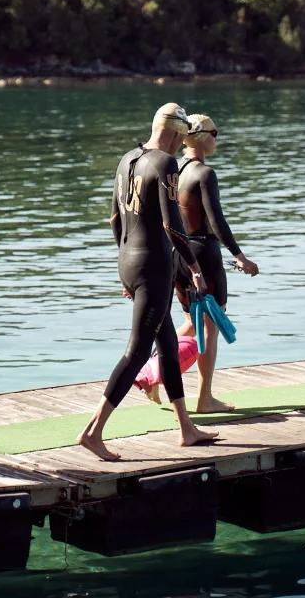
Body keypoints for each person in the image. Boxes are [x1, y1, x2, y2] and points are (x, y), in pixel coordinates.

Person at [76, 103, 220, 461]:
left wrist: (127, 265)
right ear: (174, 133)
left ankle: (186, 428)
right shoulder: (166, 163)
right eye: (181, 137)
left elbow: (113, 217)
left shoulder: (127, 159)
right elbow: (173, 225)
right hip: (154, 264)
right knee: (139, 349)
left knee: (169, 345)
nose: (180, 144)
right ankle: (93, 432)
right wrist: (195, 269)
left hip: (129, 259)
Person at [171, 114, 258, 412]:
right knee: (209, 327)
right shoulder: (204, 174)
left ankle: (152, 372)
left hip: (178, 255)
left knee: (188, 323)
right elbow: (216, 220)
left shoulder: (174, 168)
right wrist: (239, 256)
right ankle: (204, 399)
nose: (217, 138)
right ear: (203, 137)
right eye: (215, 132)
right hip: (204, 256)